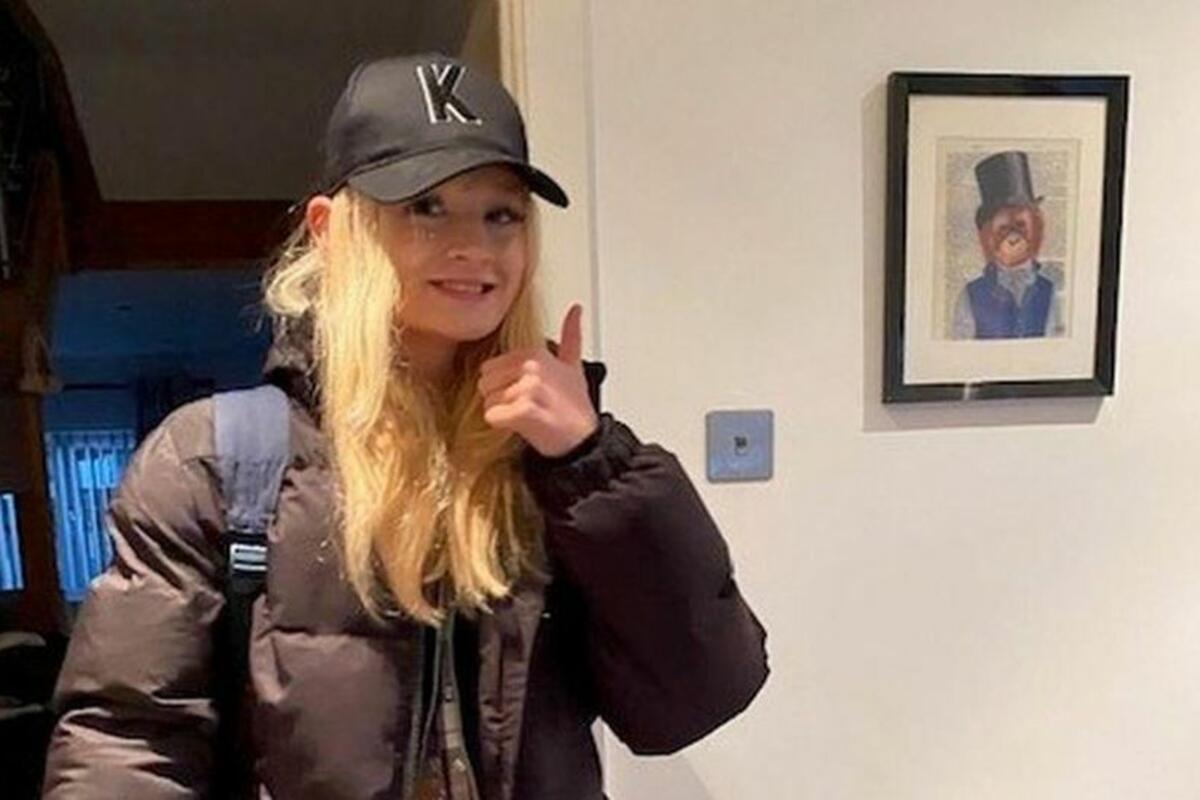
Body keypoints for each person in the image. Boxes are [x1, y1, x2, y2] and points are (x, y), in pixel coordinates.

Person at [41, 53, 769, 799]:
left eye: (502, 214)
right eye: (425, 206)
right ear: (330, 229)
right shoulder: (212, 460)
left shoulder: (557, 461)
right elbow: (129, 741)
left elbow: (695, 699)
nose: (473, 246)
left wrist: (589, 461)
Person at [951, 150, 1065, 340]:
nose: (1013, 236)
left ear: (1035, 227)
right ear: (989, 235)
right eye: (1003, 228)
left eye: (1021, 225)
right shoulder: (970, 296)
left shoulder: (1052, 292)